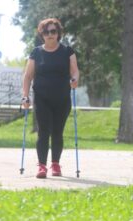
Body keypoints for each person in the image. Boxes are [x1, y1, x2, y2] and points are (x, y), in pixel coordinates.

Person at [22, 18, 79, 179]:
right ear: (42, 34)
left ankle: (55, 164)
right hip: (42, 98)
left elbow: (75, 71)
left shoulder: (67, 51)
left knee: (57, 132)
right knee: (43, 131)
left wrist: (75, 80)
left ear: (58, 33)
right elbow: (27, 76)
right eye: (46, 32)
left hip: (62, 98)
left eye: (53, 31)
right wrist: (25, 96)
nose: (50, 35)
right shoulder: (36, 52)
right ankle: (41, 166)